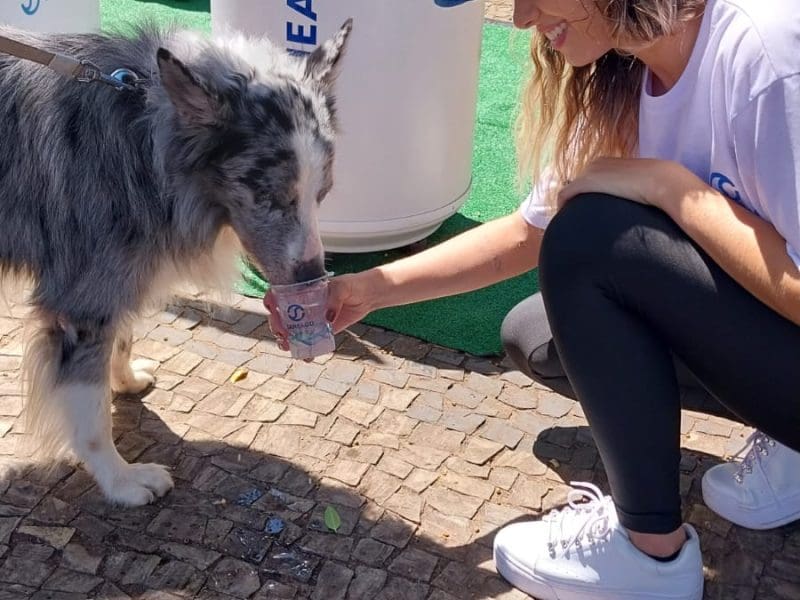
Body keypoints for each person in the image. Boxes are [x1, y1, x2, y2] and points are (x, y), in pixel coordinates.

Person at [266, 0, 800, 597]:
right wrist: (367, 291)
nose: (520, 18)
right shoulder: (625, 69)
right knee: (540, 331)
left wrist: (671, 189)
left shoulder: (768, 53)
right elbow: (530, 233)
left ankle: (650, 557)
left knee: (591, 241)